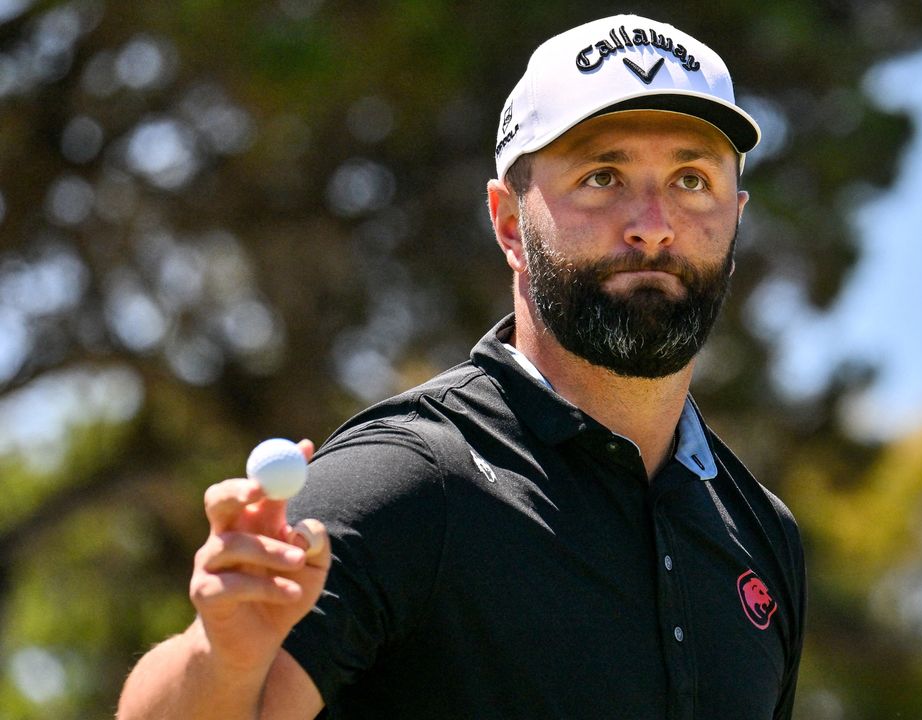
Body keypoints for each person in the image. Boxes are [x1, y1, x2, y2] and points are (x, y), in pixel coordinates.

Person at [118, 13, 805, 719]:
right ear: (509, 222)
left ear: (736, 215)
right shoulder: (407, 480)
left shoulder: (761, 534)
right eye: (604, 176)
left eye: (692, 180)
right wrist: (218, 659)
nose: (654, 223)